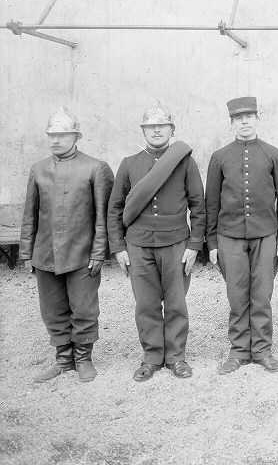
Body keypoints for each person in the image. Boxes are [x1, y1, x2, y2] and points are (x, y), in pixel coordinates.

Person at [107, 102, 206, 381]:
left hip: (176, 244)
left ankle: (176, 357)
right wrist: (118, 248)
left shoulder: (185, 162)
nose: (157, 131)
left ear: (172, 130)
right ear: (143, 131)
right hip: (138, 245)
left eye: (162, 126)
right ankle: (151, 357)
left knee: (176, 303)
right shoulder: (129, 164)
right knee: (146, 304)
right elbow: (114, 208)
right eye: (151, 127)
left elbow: (198, 206)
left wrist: (194, 246)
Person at [20, 107, 114, 383]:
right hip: (45, 253)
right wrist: (27, 252)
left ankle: (83, 358)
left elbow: (103, 216)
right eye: (52, 135)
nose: (56, 140)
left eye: (62, 135)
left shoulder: (95, 168)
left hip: (81, 254)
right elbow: (30, 214)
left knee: (84, 309)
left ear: (76, 136)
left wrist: (98, 252)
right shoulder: (38, 170)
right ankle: (63, 359)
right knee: (52, 309)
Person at [206, 97, 278, 374]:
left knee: (262, 295)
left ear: (257, 119)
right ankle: (239, 351)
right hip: (229, 236)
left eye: (249, 117)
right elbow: (211, 204)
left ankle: (263, 350)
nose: (244, 122)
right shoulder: (220, 157)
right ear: (231, 122)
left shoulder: (273, 154)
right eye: (238, 118)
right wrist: (211, 243)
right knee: (236, 295)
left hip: (265, 235)